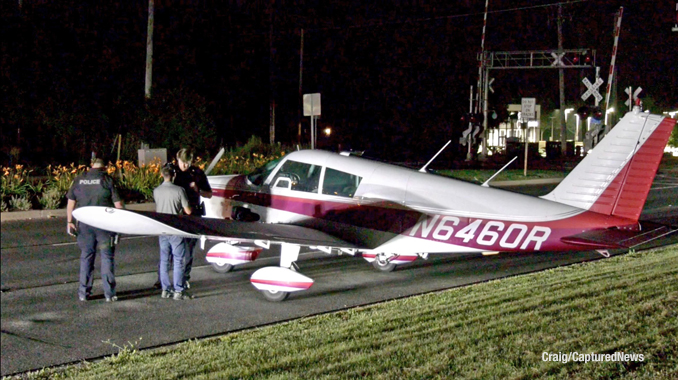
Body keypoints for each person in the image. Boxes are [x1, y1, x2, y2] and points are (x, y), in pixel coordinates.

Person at [66, 158, 124, 302]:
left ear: (91, 166)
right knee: (107, 258)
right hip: (105, 226)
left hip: (85, 225)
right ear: (104, 168)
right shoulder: (107, 180)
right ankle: (109, 294)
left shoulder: (79, 179)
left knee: (86, 257)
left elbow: (70, 202)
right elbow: (119, 206)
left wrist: (69, 221)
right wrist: (121, 226)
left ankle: (83, 293)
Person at [171, 148, 212, 289]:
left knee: (188, 249)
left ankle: (184, 277)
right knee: (172, 247)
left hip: (193, 214)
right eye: (182, 162)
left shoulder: (198, 173)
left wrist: (198, 190)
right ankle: (165, 279)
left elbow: (209, 194)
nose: (185, 166)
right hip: (176, 214)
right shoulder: (173, 172)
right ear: (177, 160)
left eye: (187, 163)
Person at [153, 166, 193, 300]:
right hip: (175, 228)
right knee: (178, 260)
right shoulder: (179, 190)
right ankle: (178, 290)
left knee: (164, 260)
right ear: (173, 175)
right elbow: (188, 211)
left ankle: (165, 289)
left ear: (161, 175)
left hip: (162, 229)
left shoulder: (156, 191)